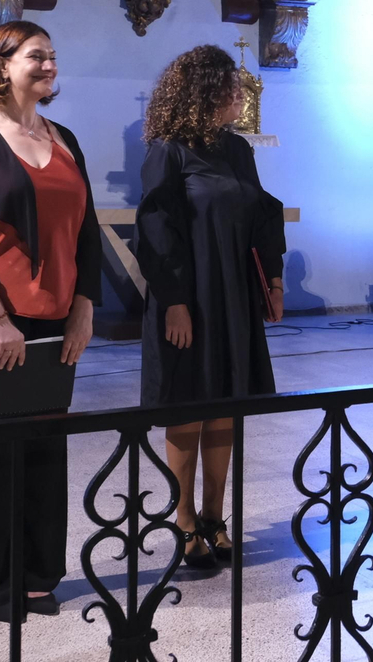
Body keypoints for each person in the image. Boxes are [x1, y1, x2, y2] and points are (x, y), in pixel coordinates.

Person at [0, 20, 100, 621]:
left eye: (53, 55)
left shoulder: (65, 138)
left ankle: (37, 576)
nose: (50, 65)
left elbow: (87, 232)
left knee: (43, 449)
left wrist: (84, 307)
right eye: (37, 56)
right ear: (1, 66)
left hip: (55, 320)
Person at [135, 45, 285, 569]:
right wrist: (175, 302)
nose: (240, 95)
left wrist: (274, 280)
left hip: (233, 295)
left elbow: (263, 215)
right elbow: (156, 229)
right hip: (188, 297)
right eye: (230, 87)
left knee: (225, 402)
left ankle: (214, 515)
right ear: (203, 92)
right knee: (189, 404)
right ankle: (183, 519)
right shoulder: (168, 151)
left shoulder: (237, 150)